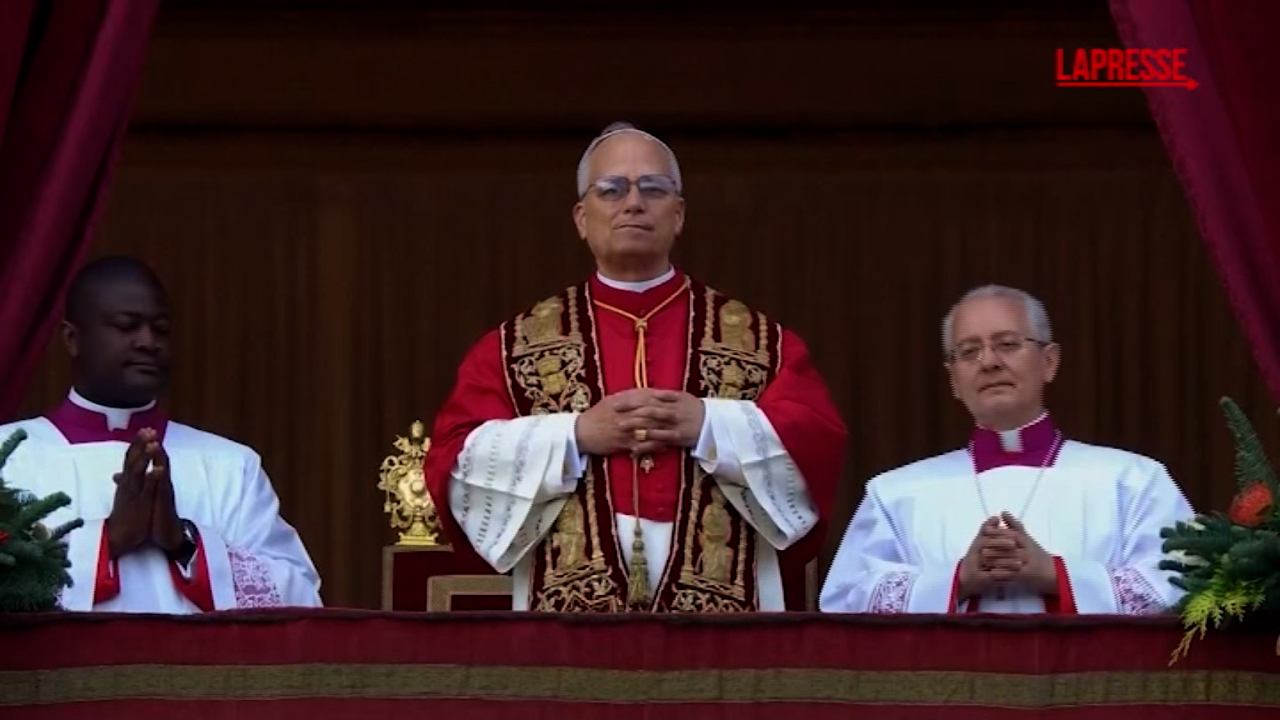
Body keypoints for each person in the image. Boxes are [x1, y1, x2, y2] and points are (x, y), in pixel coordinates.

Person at [425, 122, 847, 612]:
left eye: (653, 188)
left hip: (724, 607)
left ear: (679, 214)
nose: (633, 202)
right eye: (611, 189)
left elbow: (817, 444)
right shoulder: (512, 347)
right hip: (568, 611)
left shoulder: (760, 343)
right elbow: (454, 462)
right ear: (582, 218)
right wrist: (575, 435)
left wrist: (710, 425)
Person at [820, 284, 1194, 614]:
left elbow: (1183, 589)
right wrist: (958, 579)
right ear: (953, 379)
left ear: (1049, 362)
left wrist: (1056, 575)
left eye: (1007, 344)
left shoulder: (1135, 480)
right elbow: (847, 602)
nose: (989, 361)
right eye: (968, 351)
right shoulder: (895, 493)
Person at [0, 256, 322, 613]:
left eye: (161, 329)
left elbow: (302, 600)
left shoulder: (230, 466)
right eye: (127, 326)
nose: (148, 341)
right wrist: (107, 541)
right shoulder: (9, 455)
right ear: (73, 338)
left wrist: (186, 543)